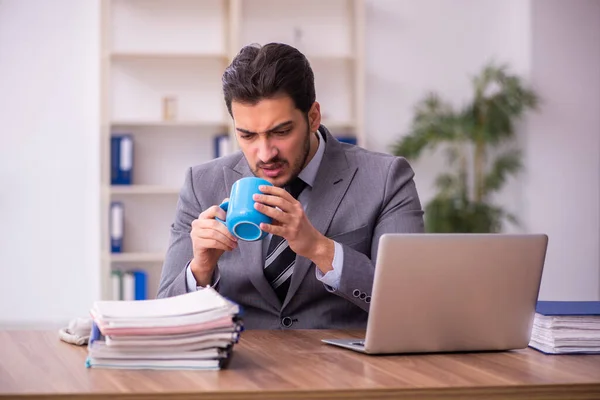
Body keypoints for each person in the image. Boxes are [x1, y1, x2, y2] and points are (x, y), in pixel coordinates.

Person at [157, 42, 424, 330]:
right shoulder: (202, 184)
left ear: (313, 117)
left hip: (347, 370)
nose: (265, 153)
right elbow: (164, 317)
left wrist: (321, 249)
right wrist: (200, 269)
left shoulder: (386, 178)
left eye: (281, 132)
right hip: (241, 367)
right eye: (247, 135)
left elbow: (412, 302)